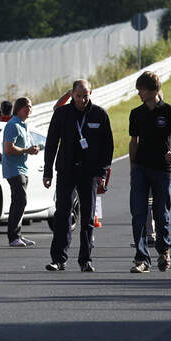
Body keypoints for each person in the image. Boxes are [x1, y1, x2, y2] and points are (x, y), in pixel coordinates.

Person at [42, 79, 113, 272]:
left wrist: (102, 172)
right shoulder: (62, 114)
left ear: (91, 94)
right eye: (78, 96)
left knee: (88, 217)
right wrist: (47, 171)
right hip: (66, 170)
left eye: (85, 96)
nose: (82, 100)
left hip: (89, 172)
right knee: (62, 214)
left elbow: (108, 146)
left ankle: (86, 259)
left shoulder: (99, 114)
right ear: (72, 95)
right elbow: (51, 143)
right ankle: (58, 259)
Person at [128, 72, 171, 273]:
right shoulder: (136, 113)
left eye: (141, 90)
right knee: (138, 214)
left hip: (163, 170)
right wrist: (132, 168)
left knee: (161, 213)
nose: (139, 94)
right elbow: (133, 142)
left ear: (152, 90)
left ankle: (164, 250)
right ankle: (142, 259)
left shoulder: (170, 112)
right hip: (141, 169)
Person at [2, 97, 40, 247]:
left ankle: (17, 234)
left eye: (31, 107)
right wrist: (27, 150)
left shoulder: (23, 125)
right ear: (19, 108)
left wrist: (32, 149)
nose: (30, 109)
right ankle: (13, 237)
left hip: (22, 168)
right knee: (20, 201)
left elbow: (24, 146)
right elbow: (8, 148)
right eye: (27, 107)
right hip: (14, 169)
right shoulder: (12, 125)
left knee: (20, 202)